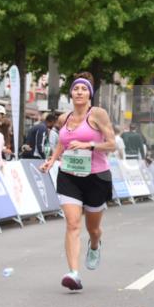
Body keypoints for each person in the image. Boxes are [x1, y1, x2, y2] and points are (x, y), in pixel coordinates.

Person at [40, 73, 116, 291]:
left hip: (96, 177)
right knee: (73, 223)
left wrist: (89, 146)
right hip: (69, 175)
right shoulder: (64, 118)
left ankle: (94, 245)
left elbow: (111, 144)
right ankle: (73, 273)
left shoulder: (98, 114)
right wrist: (52, 160)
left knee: (93, 228)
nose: (79, 92)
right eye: (76, 89)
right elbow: (62, 144)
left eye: (84, 89)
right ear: (71, 93)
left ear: (90, 94)